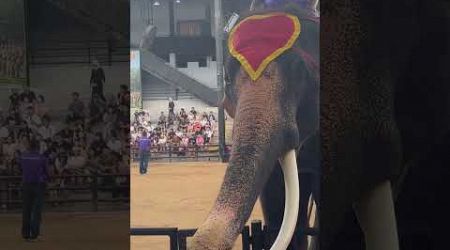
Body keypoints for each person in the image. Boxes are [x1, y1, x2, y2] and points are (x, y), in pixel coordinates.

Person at [20, 139, 49, 241]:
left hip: (26, 184)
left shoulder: (23, 156)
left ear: (29, 146)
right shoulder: (42, 158)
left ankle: (25, 234)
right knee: (36, 210)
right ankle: (34, 234)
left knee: (26, 209)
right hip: (38, 184)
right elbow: (46, 172)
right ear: (37, 147)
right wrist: (45, 179)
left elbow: (21, 169)